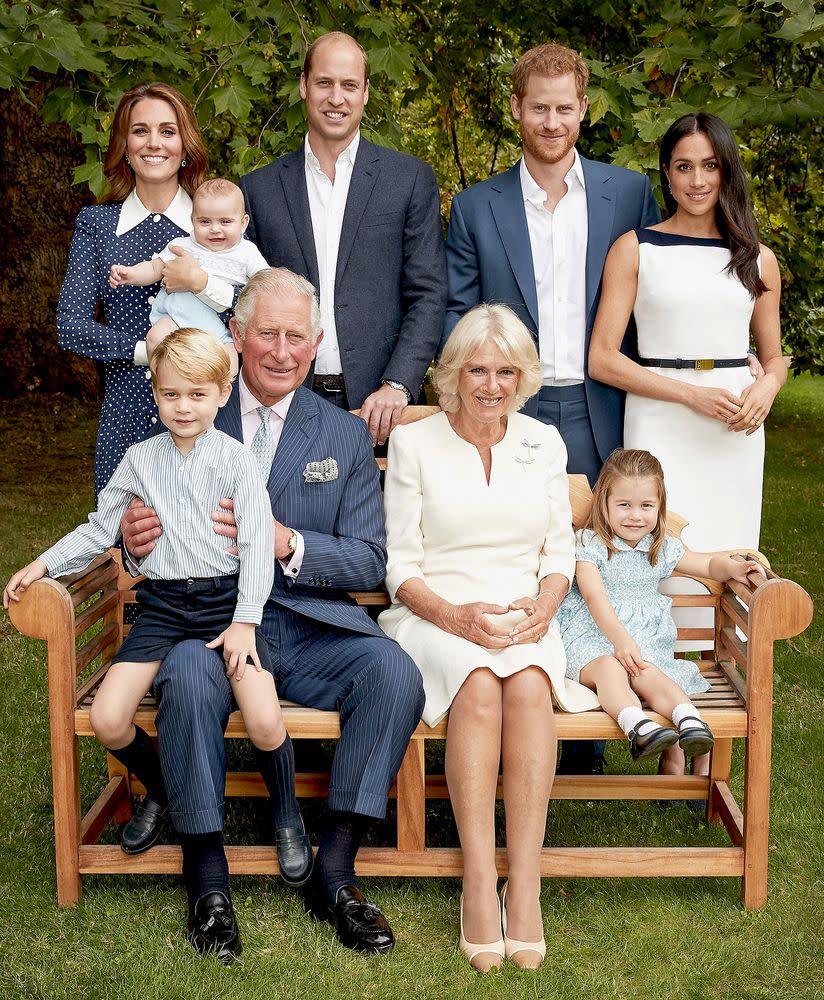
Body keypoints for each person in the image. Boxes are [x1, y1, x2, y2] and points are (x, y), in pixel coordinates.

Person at [121, 268, 425, 963]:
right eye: (268, 334)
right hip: (210, 620)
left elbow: (367, 560)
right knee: (189, 683)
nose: (283, 351)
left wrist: (289, 542)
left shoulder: (344, 436)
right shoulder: (189, 410)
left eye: (297, 337)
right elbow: (133, 527)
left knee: (394, 674)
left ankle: (335, 872)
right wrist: (135, 540)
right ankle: (207, 879)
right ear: (236, 335)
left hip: (312, 623)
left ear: (316, 344)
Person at [3, 329, 312, 907]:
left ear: (223, 394)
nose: (184, 407)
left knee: (266, 719)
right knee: (110, 718)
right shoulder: (141, 460)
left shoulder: (237, 462)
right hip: (165, 606)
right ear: (155, 393)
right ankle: (166, 788)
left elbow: (253, 546)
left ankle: (288, 815)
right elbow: (101, 528)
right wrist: (43, 564)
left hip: (227, 606)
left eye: (197, 394)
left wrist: (245, 621)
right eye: (171, 395)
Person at [443, 43, 660, 775]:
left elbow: (655, 295)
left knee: (598, 553)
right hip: (518, 408)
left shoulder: (627, 194)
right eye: (539, 106)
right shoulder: (477, 205)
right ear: (516, 109)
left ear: (584, 109)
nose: (552, 120)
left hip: (604, 406)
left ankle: (591, 736)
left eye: (565, 107)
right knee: (523, 550)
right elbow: (458, 310)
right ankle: (516, 711)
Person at [378, 304, 599, 973]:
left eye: (506, 370)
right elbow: (400, 567)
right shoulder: (416, 443)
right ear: (454, 373)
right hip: (433, 614)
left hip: (523, 613)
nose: (491, 384)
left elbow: (559, 554)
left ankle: (523, 883)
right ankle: (479, 879)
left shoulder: (543, 443)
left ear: (523, 377)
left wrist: (544, 606)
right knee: (477, 684)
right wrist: (454, 617)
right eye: (478, 368)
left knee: (530, 684)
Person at [587, 111, 785, 778]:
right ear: (666, 172)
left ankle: (712, 744)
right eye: (683, 166)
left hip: (734, 430)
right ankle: (671, 726)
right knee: (660, 565)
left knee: (728, 567)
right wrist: (689, 394)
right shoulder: (635, 248)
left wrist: (770, 387)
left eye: (709, 165)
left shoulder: (756, 258)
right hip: (663, 418)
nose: (697, 179)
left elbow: (775, 357)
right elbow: (604, 359)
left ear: (726, 169)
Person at [239, 31, 447, 445]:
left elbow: (428, 293)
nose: (337, 98)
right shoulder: (258, 190)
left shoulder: (408, 180)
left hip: (382, 406)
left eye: (349, 85)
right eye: (324, 83)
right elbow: (244, 297)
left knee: (377, 513)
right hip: (283, 399)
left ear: (366, 93)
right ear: (303, 85)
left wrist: (399, 385)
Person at [57, 81, 237, 497]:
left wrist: (202, 283)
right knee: (127, 544)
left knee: (213, 540)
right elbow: (70, 325)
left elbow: (248, 315)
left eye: (168, 131)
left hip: (211, 413)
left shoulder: (219, 222)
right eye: (140, 130)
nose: (154, 143)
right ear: (123, 142)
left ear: (185, 144)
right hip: (128, 411)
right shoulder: (97, 226)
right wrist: (148, 351)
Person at [557, 449, 766, 761]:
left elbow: (708, 565)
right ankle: (637, 726)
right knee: (611, 669)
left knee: (649, 673)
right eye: (624, 505)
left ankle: (689, 719)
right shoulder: (591, 543)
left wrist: (733, 567)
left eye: (646, 506)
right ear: (605, 503)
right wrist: (620, 640)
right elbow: (593, 596)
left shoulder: (660, 547)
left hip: (642, 646)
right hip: (592, 640)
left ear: (659, 507)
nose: (635, 515)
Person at [109, 178, 269, 375]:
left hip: (219, 329)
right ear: (192, 220)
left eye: (225, 221)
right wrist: (130, 274)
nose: (215, 229)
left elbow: (266, 282)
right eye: (204, 222)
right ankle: (163, 381)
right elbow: (153, 268)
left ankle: (214, 399)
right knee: (155, 338)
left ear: (243, 223)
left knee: (231, 365)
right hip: (176, 319)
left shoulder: (247, 252)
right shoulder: (182, 245)